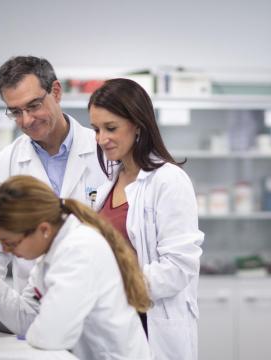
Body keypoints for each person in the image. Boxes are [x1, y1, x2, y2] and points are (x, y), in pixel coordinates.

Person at [0, 175, 151, 359]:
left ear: (43, 229)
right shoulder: (52, 252)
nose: (5, 250)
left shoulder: (78, 251)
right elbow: (25, 319)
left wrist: (36, 330)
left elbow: (51, 335)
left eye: (10, 243)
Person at [88, 78, 204, 360]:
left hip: (150, 328)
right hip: (112, 327)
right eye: (96, 129)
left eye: (111, 128)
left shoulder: (169, 180)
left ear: (138, 125)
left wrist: (116, 285)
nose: (102, 139)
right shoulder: (106, 186)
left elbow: (178, 268)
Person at [0, 56, 107, 295]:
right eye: (15, 112)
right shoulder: (2, 166)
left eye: (33, 106)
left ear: (55, 91)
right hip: (33, 308)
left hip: (97, 300)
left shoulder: (104, 153)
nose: (26, 120)